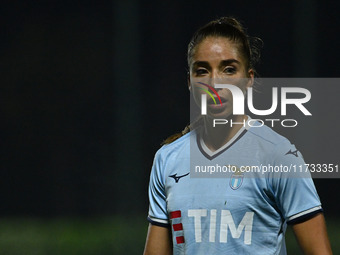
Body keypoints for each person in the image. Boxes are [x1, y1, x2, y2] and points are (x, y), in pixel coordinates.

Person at [143, 17, 332, 255]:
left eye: (229, 69)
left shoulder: (278, 155)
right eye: (202, 71)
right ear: (190, 82)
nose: (214, 83)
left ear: (249, 80)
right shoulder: (167, 159)